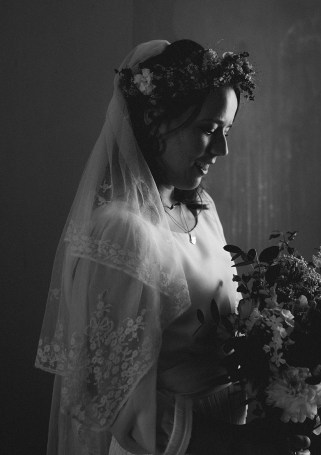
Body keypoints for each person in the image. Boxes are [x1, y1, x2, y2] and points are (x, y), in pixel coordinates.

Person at [36, 39, 269, 455]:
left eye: (226, 131)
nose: (222, 150)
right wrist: (240, 446)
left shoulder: (202, 211)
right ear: (157, 121)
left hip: (235, 427)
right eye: (208, 130)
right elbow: (120, 402)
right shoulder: (121, 233)